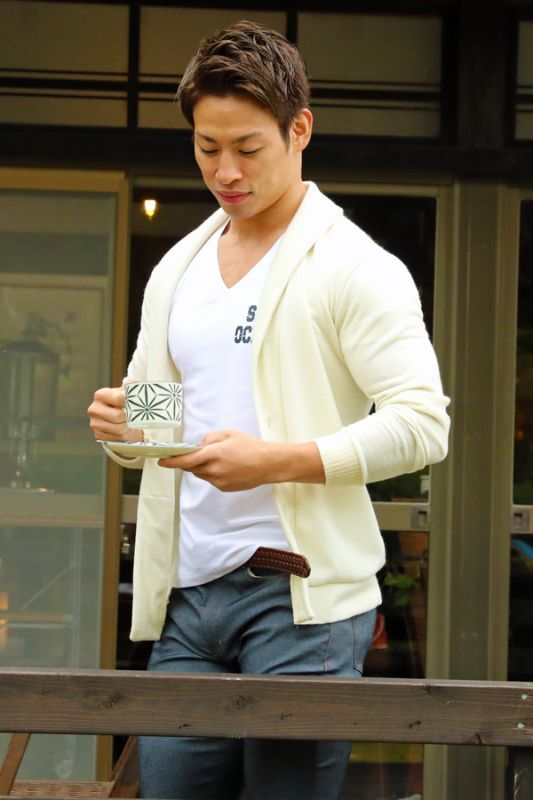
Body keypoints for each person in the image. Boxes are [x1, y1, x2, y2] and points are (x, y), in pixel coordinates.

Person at [88, 20, 450, 800]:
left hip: (301, 601)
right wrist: (124, 427)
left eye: (247, 148)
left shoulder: (355, 267)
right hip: (186, 597)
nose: (225, 171)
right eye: (206, 147)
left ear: (299, 130)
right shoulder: (177, 268)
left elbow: (422, 425)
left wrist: (273, 461)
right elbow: (161, 416)